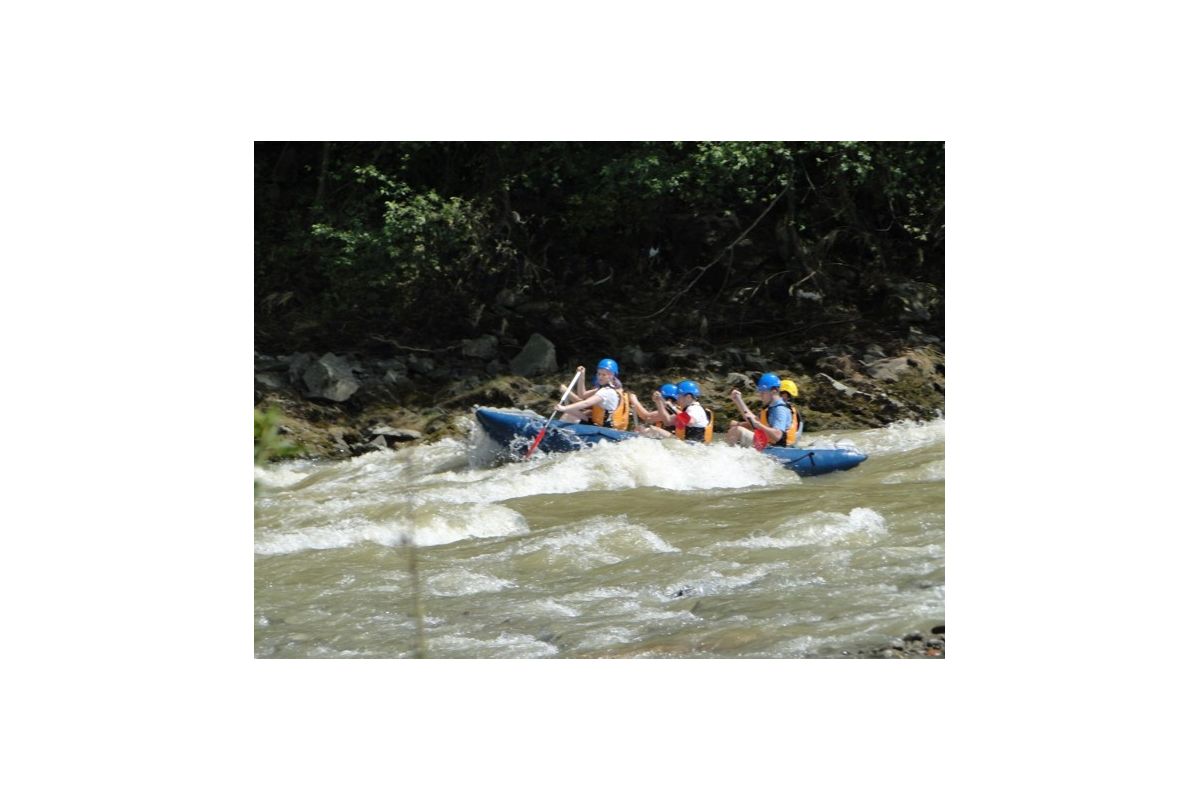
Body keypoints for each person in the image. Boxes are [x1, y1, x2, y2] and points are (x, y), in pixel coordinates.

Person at [726, 372, 797, 449]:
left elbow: (778, 435)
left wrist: (759, 425)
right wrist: (738, 400)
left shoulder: (780, 409)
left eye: (763, 391)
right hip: (768, 445)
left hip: (778, 449)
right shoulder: (771, 407)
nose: (760, 395)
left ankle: (730, 455)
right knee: (734, 427)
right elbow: (751, 419)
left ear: (774, 391)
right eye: (760, 391)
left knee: (736, 431)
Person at [555, 358, 630, 429]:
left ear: (612, 376)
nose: (600, 377)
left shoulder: (607, 392)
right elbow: (582, 395)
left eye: (604, 375)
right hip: (598, 424)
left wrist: (564, 408)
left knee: (569, 416)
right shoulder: (604, 389)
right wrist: (582, 375)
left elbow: (586, 403)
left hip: (604, 429)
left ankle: (556, 432)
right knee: (570, 412)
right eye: (599, 374)